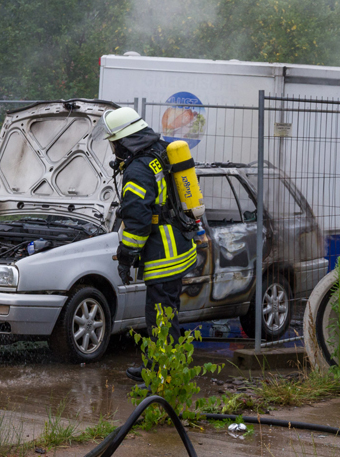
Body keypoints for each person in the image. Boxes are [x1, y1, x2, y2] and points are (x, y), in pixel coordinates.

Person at [100, 107, 198, 385]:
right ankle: (158, 364)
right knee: (166, 314)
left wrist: (126, 255)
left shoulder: (138, 169)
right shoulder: (161, 150)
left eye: (114, 142)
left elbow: (137, 219)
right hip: (179, 245)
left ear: (123, 139)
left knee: (161, 318)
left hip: (162, 254)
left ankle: (164, 377)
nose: (113, 149)